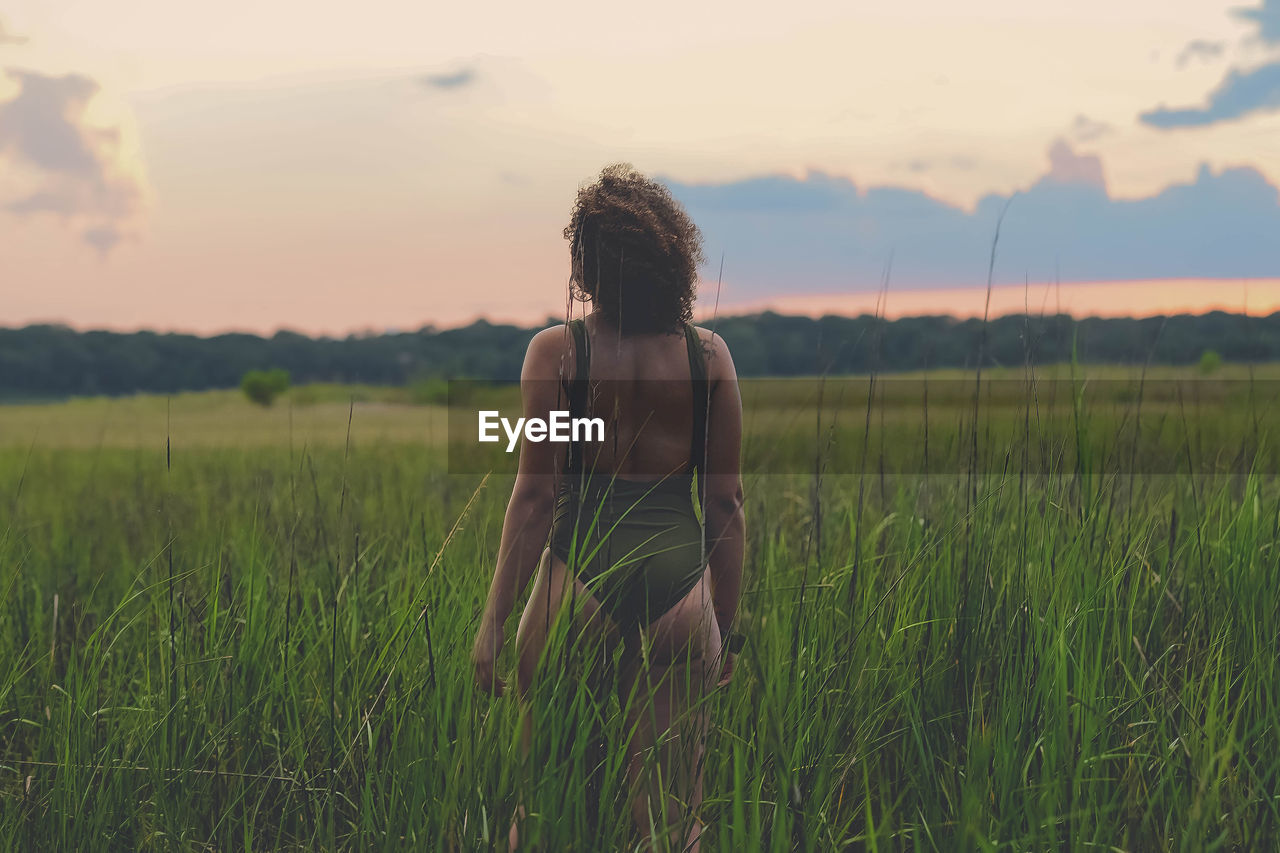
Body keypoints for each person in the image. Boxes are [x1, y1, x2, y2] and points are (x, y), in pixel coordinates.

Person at [470, 163, 746, 851]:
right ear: (669, 259)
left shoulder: (557, 352)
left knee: (542, 815)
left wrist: (494, 622)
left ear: (587, 266)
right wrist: (725, 629)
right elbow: (725, 504)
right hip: (682, 594)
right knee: (676, 820)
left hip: (577, 590)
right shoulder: (708, 355)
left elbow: (536, 496)